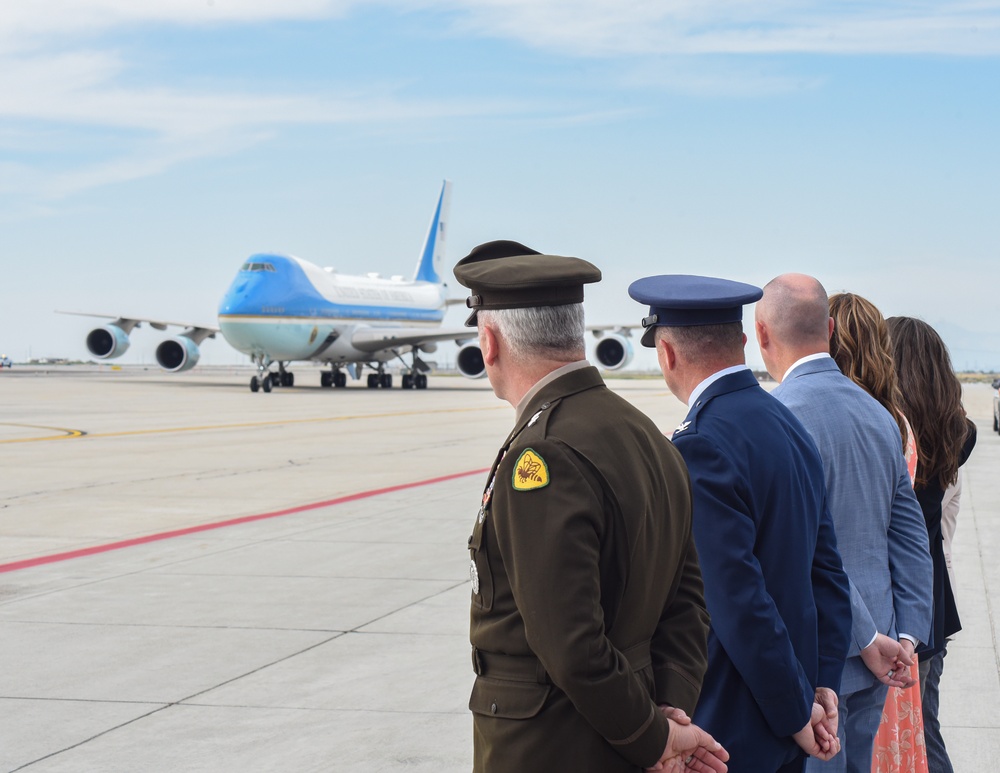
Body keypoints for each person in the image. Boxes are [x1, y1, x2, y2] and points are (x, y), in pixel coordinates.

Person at [455, 242, 727, 773]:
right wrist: (670, 712)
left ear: (489, 342)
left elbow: (572, 644)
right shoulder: (647, 436)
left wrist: (651, 737)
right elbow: (689, 600)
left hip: (552, 746)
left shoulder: (544, 452)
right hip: (625, 728)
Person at [628, 273, 852, 773]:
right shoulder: (787, 425)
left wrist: (797, 709)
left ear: (666, 353)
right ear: (745, 341)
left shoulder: (699, 444)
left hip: (732, 726)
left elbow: (738, 600)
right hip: (792, 712)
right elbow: (829, 577)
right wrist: (821, 688)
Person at [755, 274, 933, 773]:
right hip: (880, 651)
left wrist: (864, 636)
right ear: (829, 329)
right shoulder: (880, 415)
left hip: (818, 660)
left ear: (762, 333)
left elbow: (808, 546)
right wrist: (906, 636)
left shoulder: (778, 417)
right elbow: (909, 533)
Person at [826, 292, 927, 773]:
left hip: (851, 635)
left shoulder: (810, 414)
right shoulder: (892, 422)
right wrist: (905, 632)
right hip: (890, 630)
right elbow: (907, 535)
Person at [886, 316, 978, 773]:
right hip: (934, 603)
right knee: (927, 725)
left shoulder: (886, 434)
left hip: (893, 604)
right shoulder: (958, 434)